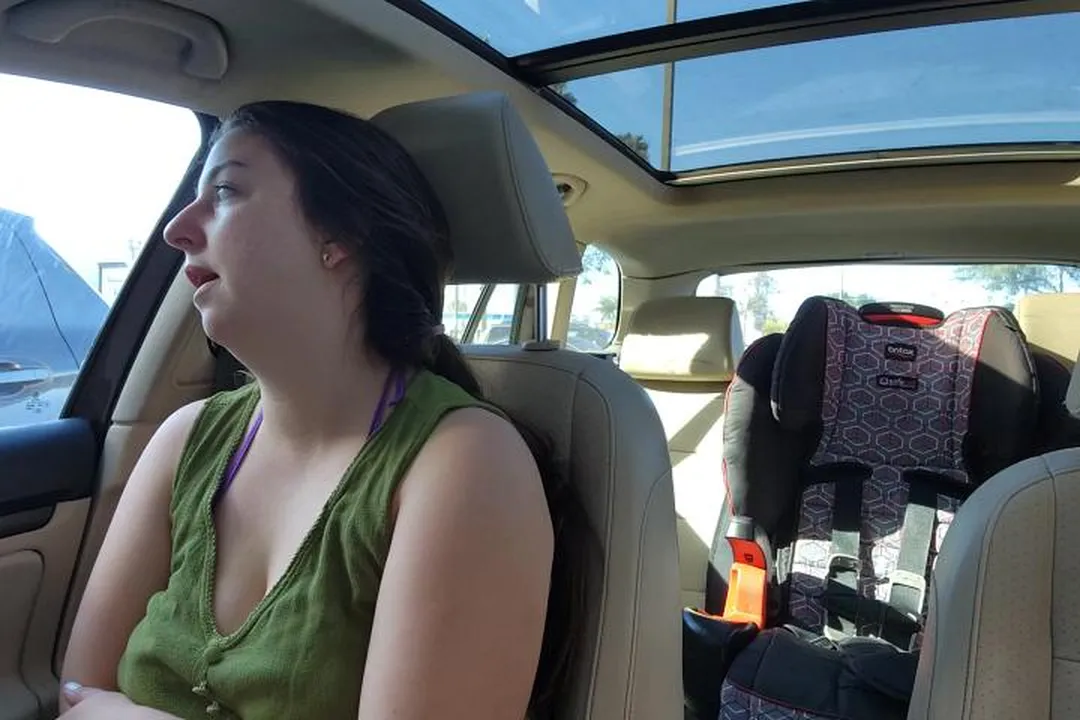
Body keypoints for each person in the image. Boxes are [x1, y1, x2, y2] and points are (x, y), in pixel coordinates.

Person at [58, 100, 583, 719]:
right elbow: (75, 694)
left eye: (225, 191)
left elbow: (92, 708)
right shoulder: (186, 439)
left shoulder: (466, 462)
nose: (177, 229)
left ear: (341, 235)